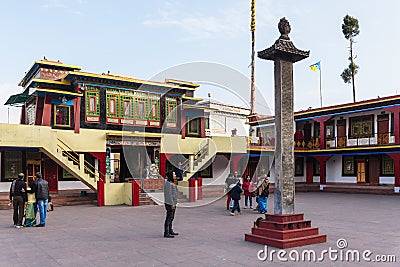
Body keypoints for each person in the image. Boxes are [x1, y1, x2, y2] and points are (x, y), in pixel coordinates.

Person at [163, 170, 178, 238]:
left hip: (173, 203)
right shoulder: (168, 183)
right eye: (174, 174)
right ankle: (166, 232)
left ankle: (170, 230)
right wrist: (172, 204)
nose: (175, 176)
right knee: (169, 218)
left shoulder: (171, 183)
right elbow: (169, 195)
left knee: (171, 217)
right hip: (169, 203)